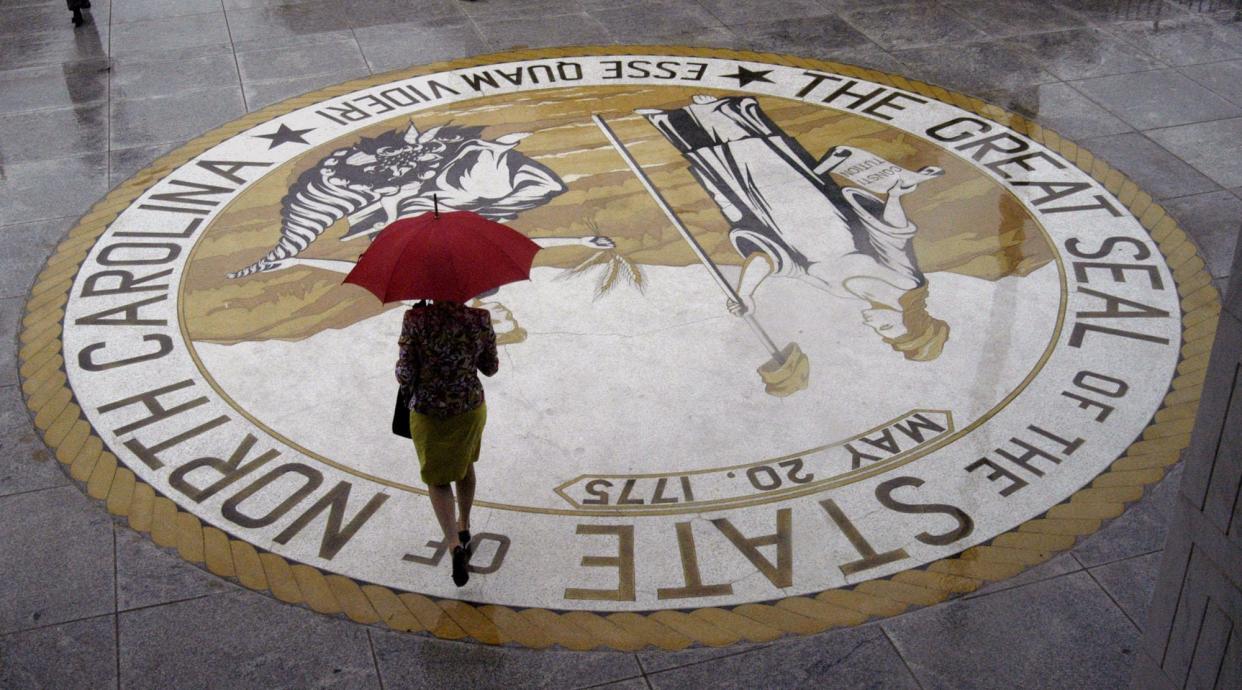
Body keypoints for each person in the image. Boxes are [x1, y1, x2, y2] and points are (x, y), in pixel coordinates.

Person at [395, 299, 498, 587]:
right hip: (469, 409)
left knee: (438, 479)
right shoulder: (479, 319)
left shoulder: (415, 320)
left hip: (429, 413)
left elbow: (405, 374)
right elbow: (490, 367)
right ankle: (465, 525)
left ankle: (453, 544)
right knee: (464, 466)